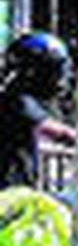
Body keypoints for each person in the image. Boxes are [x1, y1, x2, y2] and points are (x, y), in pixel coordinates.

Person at [0, 30, 74, 191]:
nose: (59, 79)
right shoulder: (18, 100)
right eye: (54, 72)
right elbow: (58, 132)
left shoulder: (11, 94)